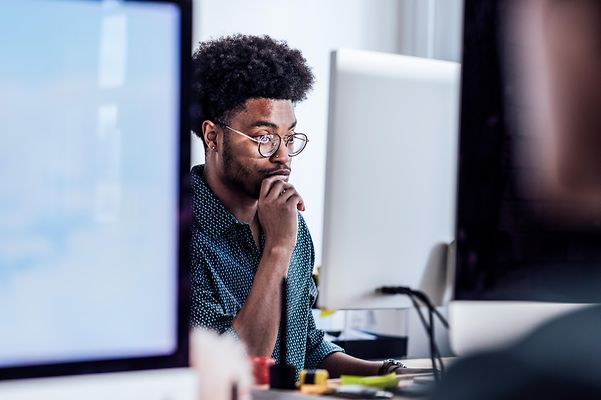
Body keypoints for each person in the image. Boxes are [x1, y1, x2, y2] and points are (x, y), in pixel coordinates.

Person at [189, 34, 399, 378]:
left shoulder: (289, 223)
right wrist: (278, 248)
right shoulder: (181, 236)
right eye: (265, 138)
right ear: (213, 136)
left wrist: (389, 373)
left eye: (289, 138)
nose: (283, 156)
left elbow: (306, 344)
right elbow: (234, 372)